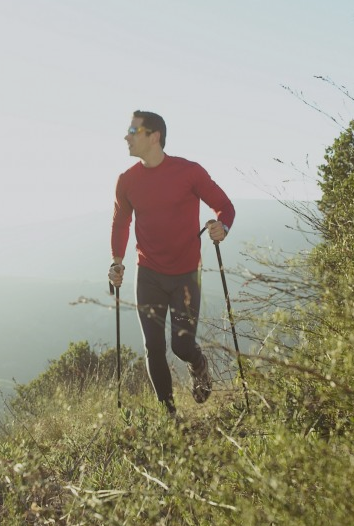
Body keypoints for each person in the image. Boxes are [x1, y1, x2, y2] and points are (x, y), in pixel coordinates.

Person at [108, 110, 235, 417]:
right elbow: (121, 223)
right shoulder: (127, 181)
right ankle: (171, 417)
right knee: (153, 347)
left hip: (186, 275)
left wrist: (222, 226)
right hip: (148, 274)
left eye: (133, 130)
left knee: (181, 346)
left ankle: (199, 364)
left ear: (154, 136)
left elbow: (224, 206)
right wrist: (117, 262)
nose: (126, 136)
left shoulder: (189, 172)